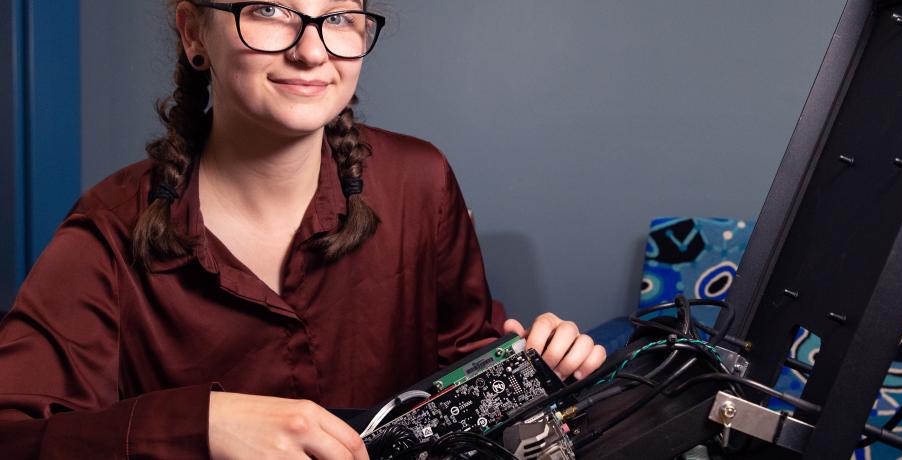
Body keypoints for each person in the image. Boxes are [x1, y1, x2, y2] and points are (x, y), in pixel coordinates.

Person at [0, 1, 606, 458]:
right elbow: (16, 435)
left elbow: (460, 359)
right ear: (193, 34)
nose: (312, 52)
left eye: (340, 18)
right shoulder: (111, 224)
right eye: (269, 10)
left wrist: (534, 359)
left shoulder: (421, 180)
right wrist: (205, 424)